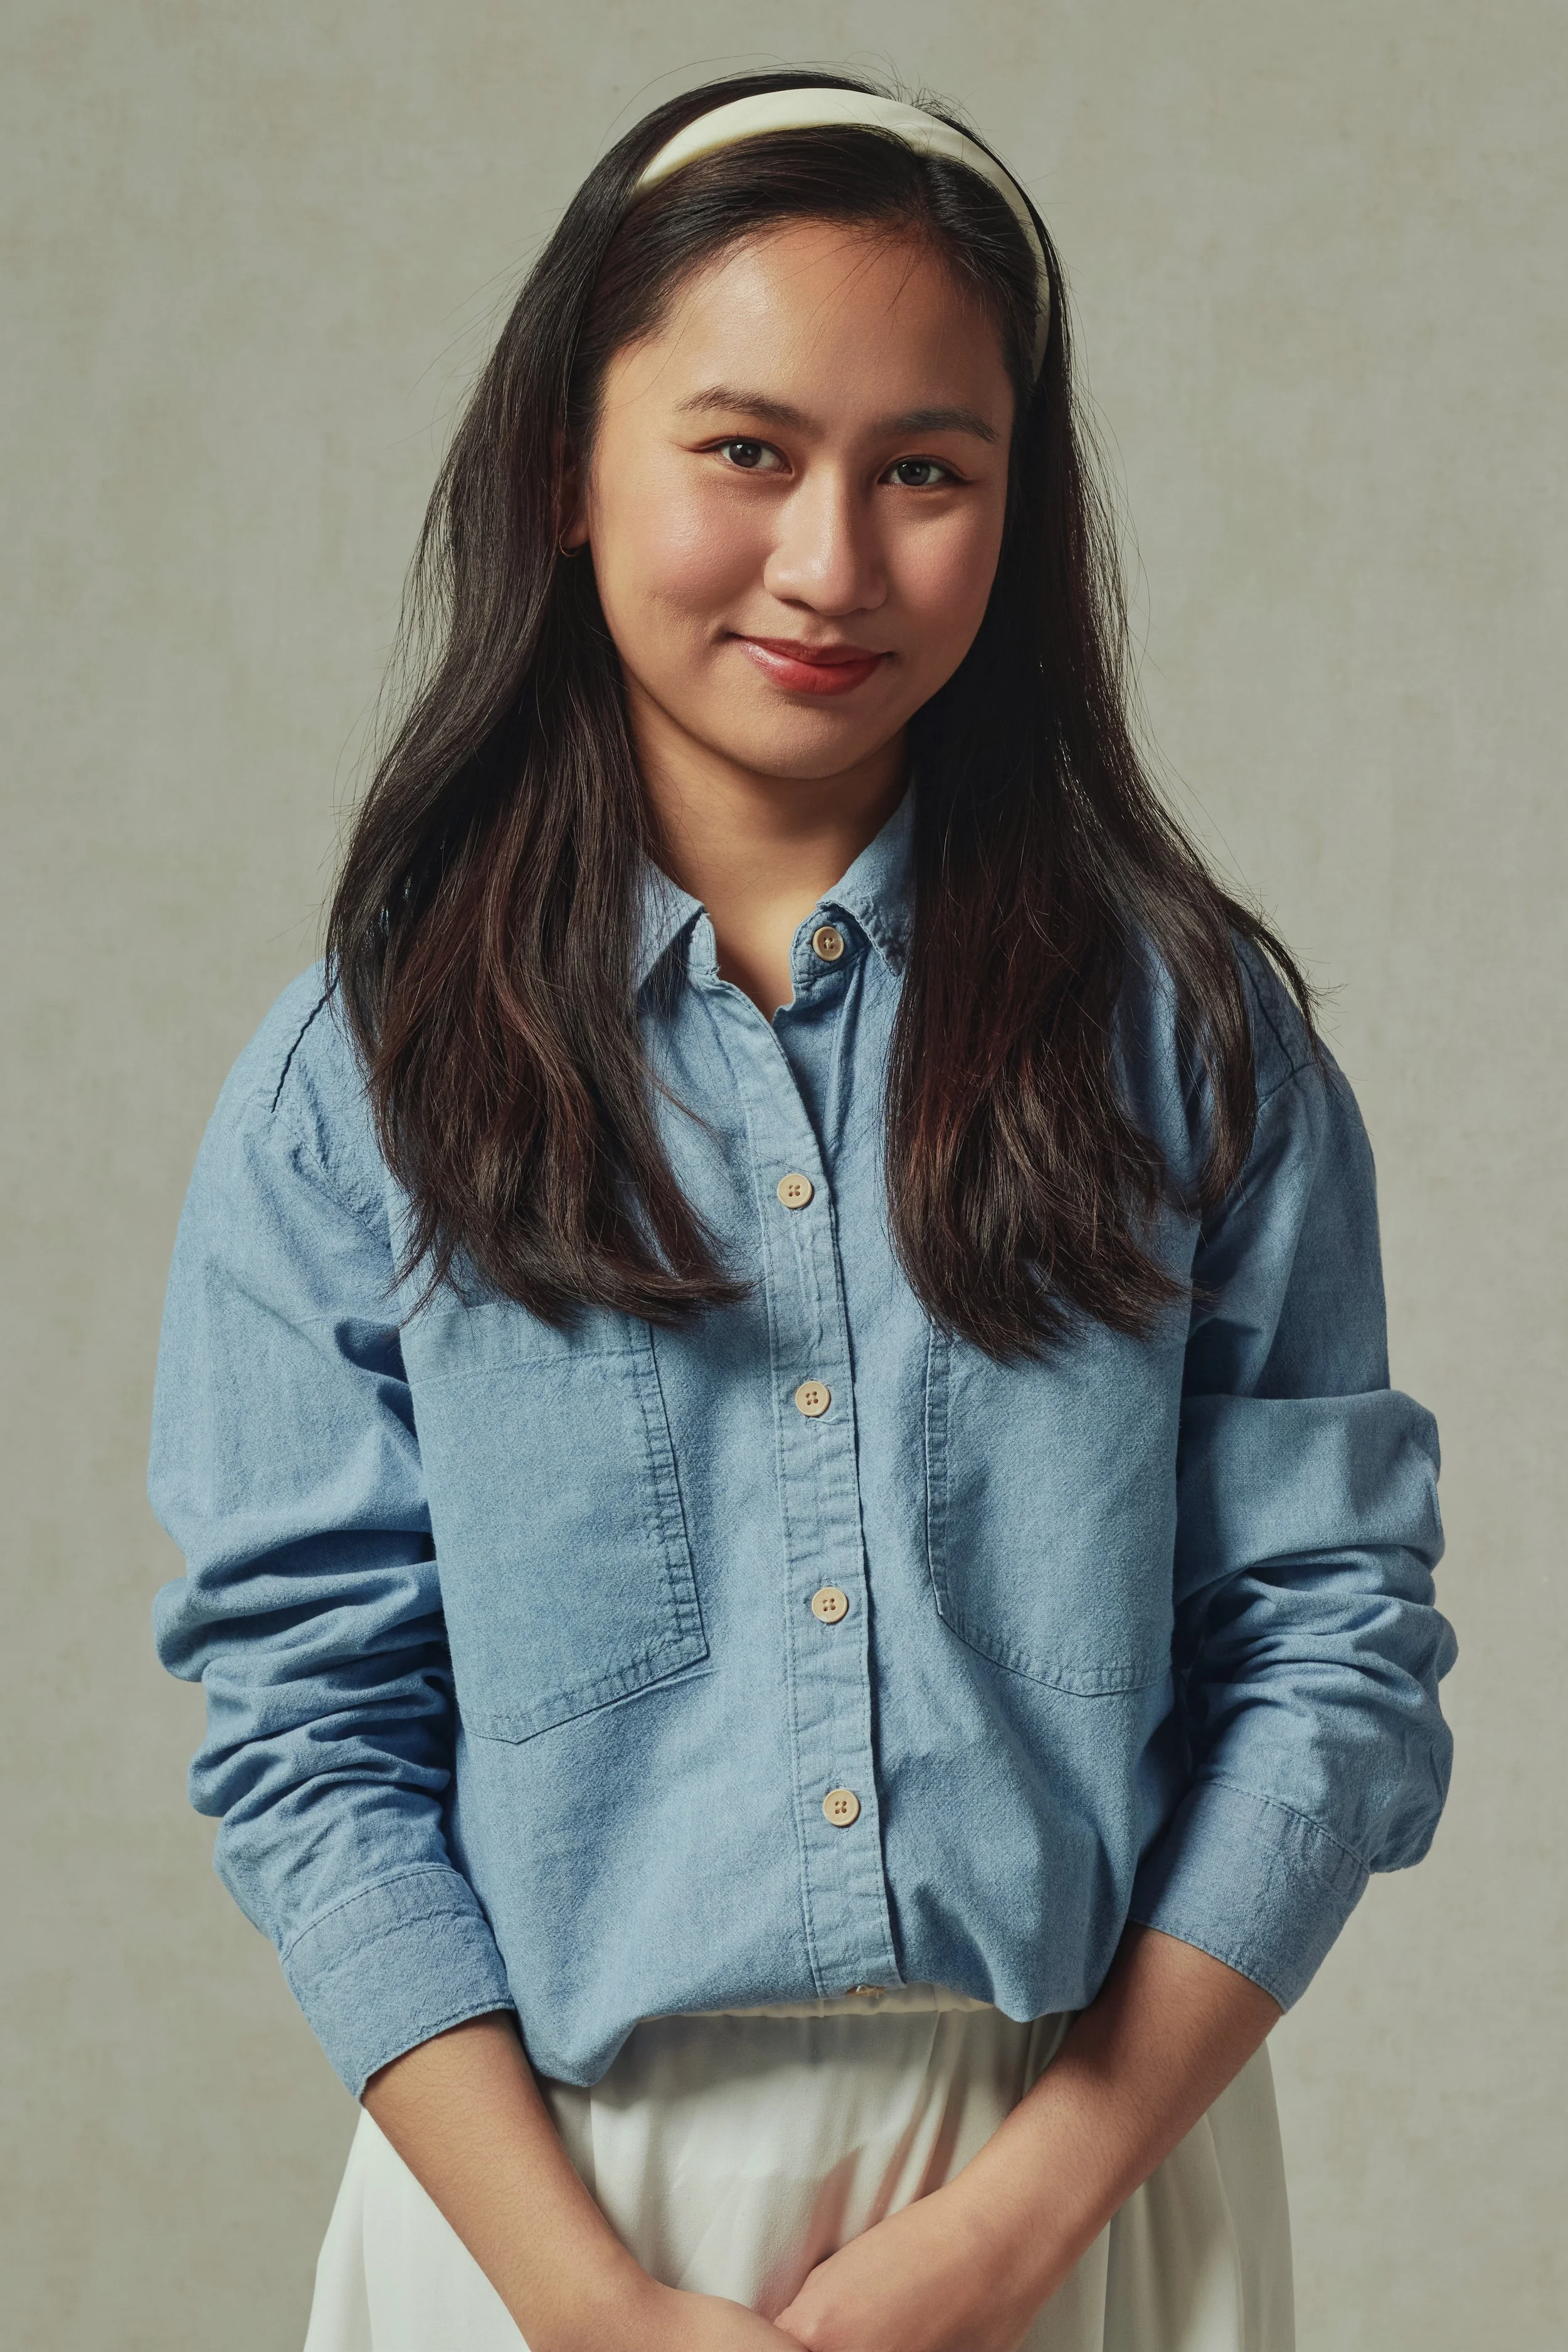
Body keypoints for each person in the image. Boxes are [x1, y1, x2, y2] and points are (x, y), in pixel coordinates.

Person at [149, 70, 1457, 2352]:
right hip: (538, 2218)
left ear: (1013, 512)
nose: (833, 562)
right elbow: (303, 1720)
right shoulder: (353, 1078)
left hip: (1075, 2182)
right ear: (569, 457)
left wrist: (1013, 2222)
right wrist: (582, 2301)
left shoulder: (1189, 1035)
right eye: (744, 450)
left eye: (923, 471)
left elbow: (1328, 1651)